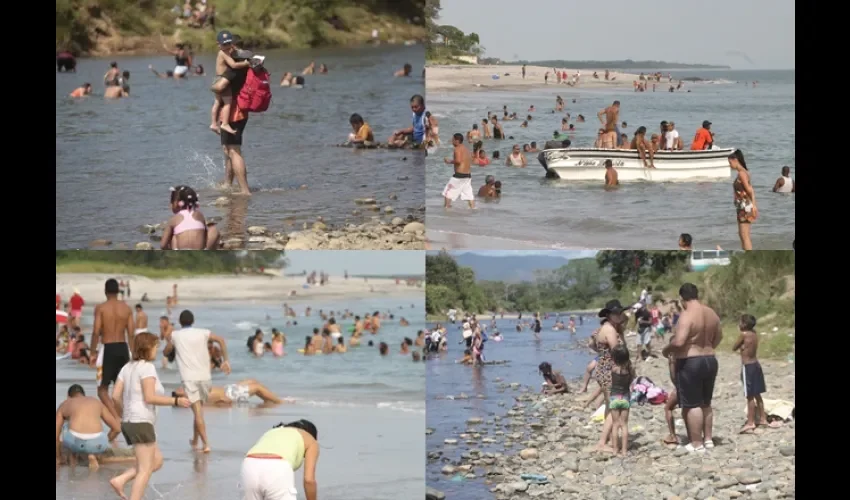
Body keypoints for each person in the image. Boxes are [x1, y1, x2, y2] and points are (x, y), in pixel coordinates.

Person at [110, 332, 191, 500]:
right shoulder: (147, 368)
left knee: (157, 460)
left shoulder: (127, 367)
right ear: (147, 348)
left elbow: (115, 396)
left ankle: (121, 479)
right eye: (155, 347)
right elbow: (149, 398)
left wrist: (124, 413)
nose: (156, 350)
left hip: (129, 422)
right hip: (141, 423)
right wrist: (176, 401)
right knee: (145, 470)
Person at [661, 283, 721, 453]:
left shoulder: (686, 315)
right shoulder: (711, 313)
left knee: (691, 404)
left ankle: (696, 443)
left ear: (682, 298)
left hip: (690, 361)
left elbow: (679, 341)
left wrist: (667, 350)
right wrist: (708, 347)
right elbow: (719, 336)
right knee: (705, 402)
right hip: (710, 358)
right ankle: (708, 439)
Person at [167, 309, 231, 453]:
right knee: (198, 410)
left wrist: (168, 348)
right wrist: (226, 361)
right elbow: (221, 340)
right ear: (193, 321)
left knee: (197, 413)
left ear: (180, 322)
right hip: (205, 377)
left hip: (189, 378)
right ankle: (195, 440)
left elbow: (166, 351)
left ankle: (206, 444)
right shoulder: (203, 333)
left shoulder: (175, 335)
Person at [90, 279, 135, 421]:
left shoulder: (101, 308)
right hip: (123, 347)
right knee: (120, 387)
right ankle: (125, 417)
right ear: (118, 291)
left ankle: (116, 417)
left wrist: (92, 351)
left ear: (105, 291)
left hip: (108, 348)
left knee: (102, 389)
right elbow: (131, 333)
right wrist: (133, 354)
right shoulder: (126, 308)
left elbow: (96, 331)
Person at [241, 419, 320, 500]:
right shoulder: (311, 440)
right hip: (277, 466)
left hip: (249, 463)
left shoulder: (272, 432)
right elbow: (309, 480)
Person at [55, 384, 122, 470]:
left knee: (66, 426)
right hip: (98, 443)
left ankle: (73, 459)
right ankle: (92, 454)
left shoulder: (65, 404)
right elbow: (117, 428)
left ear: (68, 396)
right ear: (84, 395)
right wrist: (106, 442)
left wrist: (58, 457)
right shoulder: (96, 402)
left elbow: (56, 435)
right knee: (96, 434)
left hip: (76, 442)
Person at [732, 314, 775, 433]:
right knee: (758, 394)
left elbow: (734, 347)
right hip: (756, 365)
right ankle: (763, 419)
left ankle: (750, 422)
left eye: (740, 322)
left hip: (748, 366)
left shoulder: (743, 334)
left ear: (744, 324)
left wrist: (741, 345)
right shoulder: (754, 334)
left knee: (749, 396)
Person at [593, 300, 626, 452]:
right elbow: (617, 352)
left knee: (609, 405)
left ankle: (606, 440)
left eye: (620, 312)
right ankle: (602, 442)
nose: (620, 315)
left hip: (603, 370)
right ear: (608, 315)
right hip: (611, 372)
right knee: (615, 408)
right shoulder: (610, 331)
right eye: (616, 313)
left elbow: (592, 344)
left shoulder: (604, 328)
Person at [210, 31, 251, 134]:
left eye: (229, 44)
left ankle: (214, 124)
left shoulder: (224, 52)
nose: (227, 46)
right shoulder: (223, 53)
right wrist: (246, 63)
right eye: (224, 44)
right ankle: (225, 124)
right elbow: (233, 65)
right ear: (218, 45)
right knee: (228, 102)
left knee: (217, 102)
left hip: (217, 79)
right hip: (222, 79)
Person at [161, 185, 220, 250]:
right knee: (213, 229)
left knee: (173, 235)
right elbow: (204, 234)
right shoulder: (199, 214)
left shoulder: (173, 220)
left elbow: (163, 245)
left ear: (176, 203)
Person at [608, 344, 635, 456]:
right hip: (625, 398)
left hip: (614, 397)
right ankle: (624, 450)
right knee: (624, 424)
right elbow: (632, 380)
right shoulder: (630, 369)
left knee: (615, 424)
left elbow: (609, 382)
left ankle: (615, 450)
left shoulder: (612, 368)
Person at [173, 379, 282, 406]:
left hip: (228, 389)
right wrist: (223, 401)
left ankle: (271, 400)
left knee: (253, 381)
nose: (180, 388)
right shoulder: (194, 398)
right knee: (257, 388)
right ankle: (280, 402)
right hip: (230, 395)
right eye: (179, 391)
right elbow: (211, 402)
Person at [728, 149, 758, 250]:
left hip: (745, 207)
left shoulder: (742, 173)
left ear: (735, 160)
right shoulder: (742, 172)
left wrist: (754, 206)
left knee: (744, 235)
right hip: (742, 207)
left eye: (730, 162)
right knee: (742, 235)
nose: (729, 165)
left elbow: (750, 190)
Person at [442, 133, 475, 209]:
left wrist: (449, 161)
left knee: (447, 192)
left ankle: (446, 209)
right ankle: (473, 208)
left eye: (453, 140)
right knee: (469, 195)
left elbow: (458, 161)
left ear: (457, 141)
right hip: (467, 175)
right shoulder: (466, 149)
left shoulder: (457, 149)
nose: (451, 141)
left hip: (459, 176)